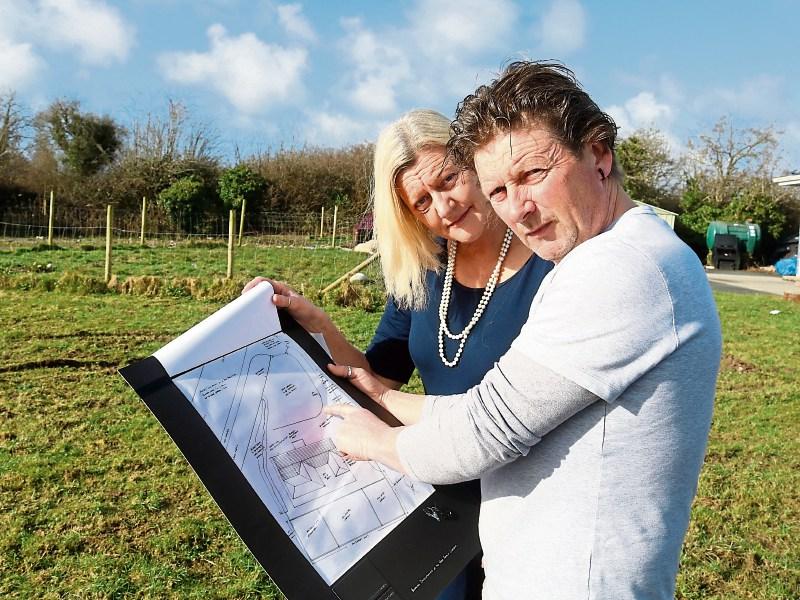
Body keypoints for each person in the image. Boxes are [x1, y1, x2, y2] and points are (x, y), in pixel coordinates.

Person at [324, 61, 722, 600]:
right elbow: (487, 407)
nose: (520, 209)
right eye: (500, 190)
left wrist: (376, 441)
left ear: (599, 155)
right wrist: (380, 394)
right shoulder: (609, 257)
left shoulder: (619, 268)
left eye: (533, 174)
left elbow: (484, 432)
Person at [243, 108, 553, 599]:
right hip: (438, 494)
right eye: (422, 202)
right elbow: (378, 378)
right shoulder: (425, 273)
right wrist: (316, 322)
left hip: (530, 499)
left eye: (449, 180)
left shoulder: (549, 265)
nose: (444, 206)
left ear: (475, 165)